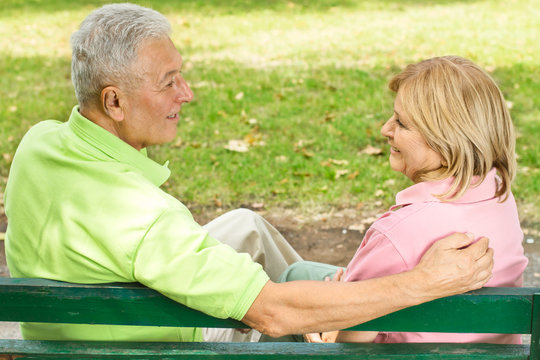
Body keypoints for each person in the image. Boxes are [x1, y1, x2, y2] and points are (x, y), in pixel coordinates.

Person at [4, 4, 493, 343]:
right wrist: (423, 283)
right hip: (164, 344)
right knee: (288, 307)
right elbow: (272, 315)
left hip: (66, 330)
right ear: (114, 101)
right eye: (168, 82)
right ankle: (334, 321)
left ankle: (339, 297)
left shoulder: (41, 142)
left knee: (247, 225)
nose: (187, 93)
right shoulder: (146, 220)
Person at [293, 56, 528, 344]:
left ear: (446, 144)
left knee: (291, 279)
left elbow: (349, 343)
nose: (385, 129)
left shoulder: (397, 234)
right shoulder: (499, 192)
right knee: (294, 269)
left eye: (402, 123)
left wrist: (322, 334)